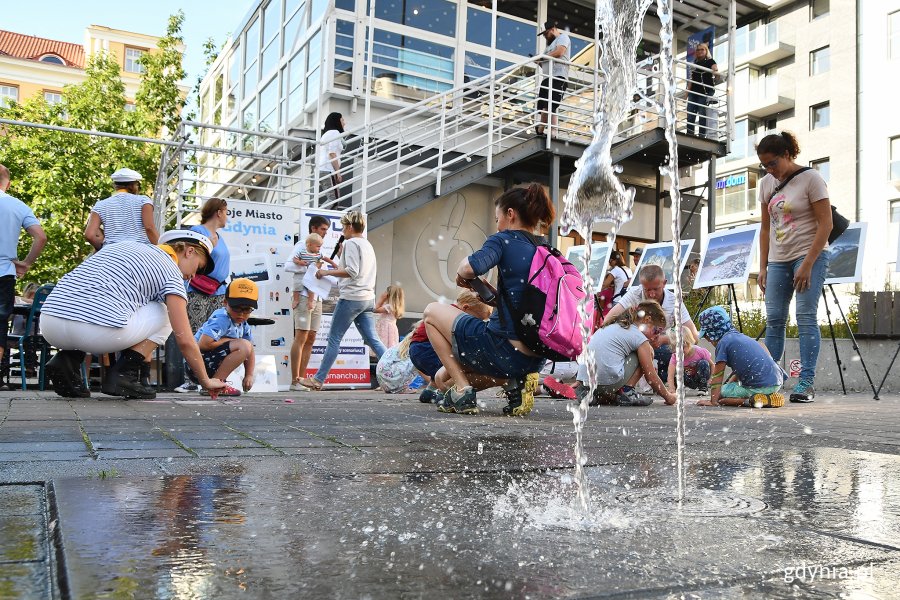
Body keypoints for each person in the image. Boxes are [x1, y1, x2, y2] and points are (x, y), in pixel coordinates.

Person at [41, 230, 226, 399]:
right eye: (199, 268)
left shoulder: (123, 245)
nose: (194, 276)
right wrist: (206, 380)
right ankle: (123, 374)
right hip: (92, 331)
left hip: (50, 323)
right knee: (166, 312)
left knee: (101, 303)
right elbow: (184, 339)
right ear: (189, 251)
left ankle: (67, 360)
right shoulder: (171, 272)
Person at [422, 184, 553, 416]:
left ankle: (463, 391)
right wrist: (496, 299)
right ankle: (515, 385)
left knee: (431, 312)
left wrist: (462, 276)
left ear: (510, 214)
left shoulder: (503, 240)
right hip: (535, 359)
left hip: (502, 349)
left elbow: (469, 267)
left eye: (497, 218)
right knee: (442, 380)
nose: (498, 224)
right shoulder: (546, 250)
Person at [757, 131, 832, 403]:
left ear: (787, 154)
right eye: (764, 165)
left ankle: (806, 382)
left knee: (805, 317)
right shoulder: (766, 184)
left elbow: (827, 224)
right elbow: (765, 229)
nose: (769, 170)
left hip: (809, 255)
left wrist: (809, 263)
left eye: (773, 163)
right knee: (774, 319)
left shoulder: (811, 179)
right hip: (778, 259)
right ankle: (770, 379)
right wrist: (763, 266)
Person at [298, 211, 386, 390]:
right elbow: (357, 271)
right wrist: (339, 258)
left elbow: (352, 272)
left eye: (344, 227)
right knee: (373, 340)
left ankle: (318, 380)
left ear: (350, 227)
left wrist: (325, 272)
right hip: (367, 298)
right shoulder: (366, 244)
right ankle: (397, 372)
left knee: (334, 339)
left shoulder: (351, 243)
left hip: (351, 298)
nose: (342, 231)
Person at [602, 264, 699, 383]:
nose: (652, 294)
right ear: (641, 285)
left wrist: (664, 339)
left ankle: (663, 377)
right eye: (647, 290)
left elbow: (693, 336)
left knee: (692, 354)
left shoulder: (674, 300)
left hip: (663, 350)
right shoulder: (634, 294)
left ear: (664, 283)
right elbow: (608, 320)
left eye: (656, 289)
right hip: (637, 349)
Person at [175, 197, 232, 393]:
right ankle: (191, 379)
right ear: (219, 212)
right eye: (226, 212)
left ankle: (210, 377)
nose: (227, 217)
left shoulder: (220, 237)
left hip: (218, 291)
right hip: (198, 290)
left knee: (213, 335)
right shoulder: (198, 232)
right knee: (195, 332)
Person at [573, 300, 676, 406]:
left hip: (586, 382)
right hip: (607, 384)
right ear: (647, 319)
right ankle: (627, 392)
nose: (656, 337)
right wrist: (669, 397)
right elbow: (651, 377)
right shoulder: (638, 337)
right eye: (657, 331)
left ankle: (590, 393)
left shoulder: (612, 326)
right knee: (648, 351)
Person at [0, 164, 46, 376]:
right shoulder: (17, 206)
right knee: (0, 324)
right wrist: (26, 263)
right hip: (4, 272)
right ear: (7, 184)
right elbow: (40, 237)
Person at [408, 289, 493, 404]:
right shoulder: (456, 318)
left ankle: (430, 391)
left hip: (416, 350)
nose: (476, 324)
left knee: (443, 366)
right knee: (455, 367)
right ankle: (444, 393)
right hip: (427, 350)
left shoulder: (446, 311)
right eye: (477, 319)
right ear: (466, 308)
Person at [696, 306, 785, 408]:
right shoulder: (740, 337)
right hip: (776, 382)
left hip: (758, 387)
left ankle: (748, 401)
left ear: (713, 332)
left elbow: (718, 375)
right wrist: (727, 386)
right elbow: (740, 370)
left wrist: (713, 400)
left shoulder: (723, 343)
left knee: (722, 395)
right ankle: (768, 397)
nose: (707, 340)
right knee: (725, 389)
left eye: (707, 335)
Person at [186, 278, 259, 398]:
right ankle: (215, 384)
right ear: (225, 303)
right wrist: (232, 341)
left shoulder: (243, 324)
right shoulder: (221, 318)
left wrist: (249, 375)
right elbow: (202, 345)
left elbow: (250, 349)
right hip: (196, 364)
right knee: (242, 345)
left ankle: (215, 384)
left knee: (245, 345)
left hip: (209, 363)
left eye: (246, 310)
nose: (241, 314)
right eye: (236, 308)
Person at [289, 216, 331, 391]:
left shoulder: (319, 248)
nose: (325, 233)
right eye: (323, 229)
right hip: (304, 296)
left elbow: (324, 269)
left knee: (311, 338)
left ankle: (302, 379)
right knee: (301, 336)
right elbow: (288, 265)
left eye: (327, 230)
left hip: (317, 296)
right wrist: (308, 266)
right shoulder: (301, 246)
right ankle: (294, 381)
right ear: (314, 228)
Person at [84, 168, 159, 250]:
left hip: (110, 250)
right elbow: (149, 228)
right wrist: (163, 250)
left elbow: (89, 235)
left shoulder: (100, 205)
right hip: (138, 249)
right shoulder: (143, 201)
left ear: (115, 186)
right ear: (133, 186)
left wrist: (101, 248)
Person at [534, 22, 570, 137]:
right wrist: (539, 62)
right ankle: (540, 130)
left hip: (558, 76)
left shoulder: (562, 37)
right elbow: (544, 65)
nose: (545, 36)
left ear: (553, 29)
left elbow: (560, 52)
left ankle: (553, 132)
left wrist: (543, 57)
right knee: (545, 105)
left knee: (551, 104)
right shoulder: (548, 48)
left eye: (546, 33)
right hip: (547, 78)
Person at [665, 325, 712, 395]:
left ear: (690, 343)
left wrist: (711, 379)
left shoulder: (699, 351)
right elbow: (670, 374)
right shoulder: (675, 356)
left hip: (699, 378)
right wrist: (671, 388)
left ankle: (703, 387)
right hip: (687, 379)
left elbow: (712, 365)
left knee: (704, 363)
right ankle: (680, 387)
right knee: (677, 372)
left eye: (683, 348)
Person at [685, 42, 719, 138]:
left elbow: (715, 68)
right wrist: (687, 93)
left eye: (702, 49)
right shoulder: (695, 64)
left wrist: (716, 73)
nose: (700, 51)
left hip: (704, 90)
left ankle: (701, 135)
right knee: (691, 114)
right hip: (694, 91)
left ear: (706, 51)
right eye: (698, 50)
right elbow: (692, 79)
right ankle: (690, 134)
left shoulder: (710, 61)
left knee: (702, 113)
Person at [318, 113, 346, 207]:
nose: (344, 123)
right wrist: (338, 172)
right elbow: (332, 154)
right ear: (337, 121)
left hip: (323, 169)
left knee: (333, 199)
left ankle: (318, 218)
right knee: (334, 200)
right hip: (328, 169)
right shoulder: (334, 133)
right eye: (342, 120)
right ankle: (317, 219)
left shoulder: (326, 134)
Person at [375, 285, 404, 349]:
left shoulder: (389, 307)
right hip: (390, 329)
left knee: (383, 346)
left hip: (385, 330)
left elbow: (375, 309)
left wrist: (381, 299)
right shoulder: (393, 306)